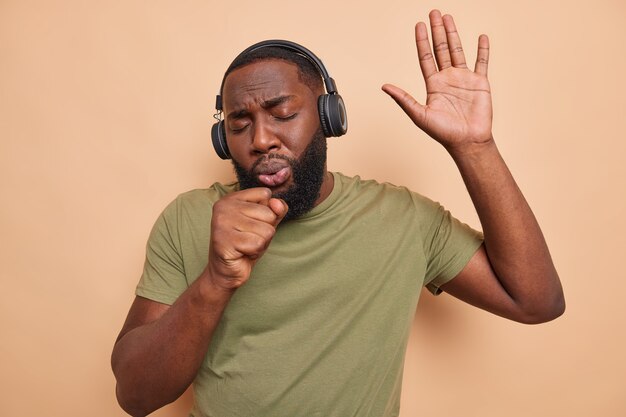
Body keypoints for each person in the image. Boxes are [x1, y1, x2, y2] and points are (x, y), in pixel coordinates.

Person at [111, 9, 565, 417]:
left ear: (329, 117)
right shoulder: (189, 218)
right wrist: (216, 280)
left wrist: (474, 147)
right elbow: (135, 396)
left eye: (282, 113)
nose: (261, 139)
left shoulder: (403, 218)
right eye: (239, 124)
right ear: (222, 139)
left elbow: (536, 302)